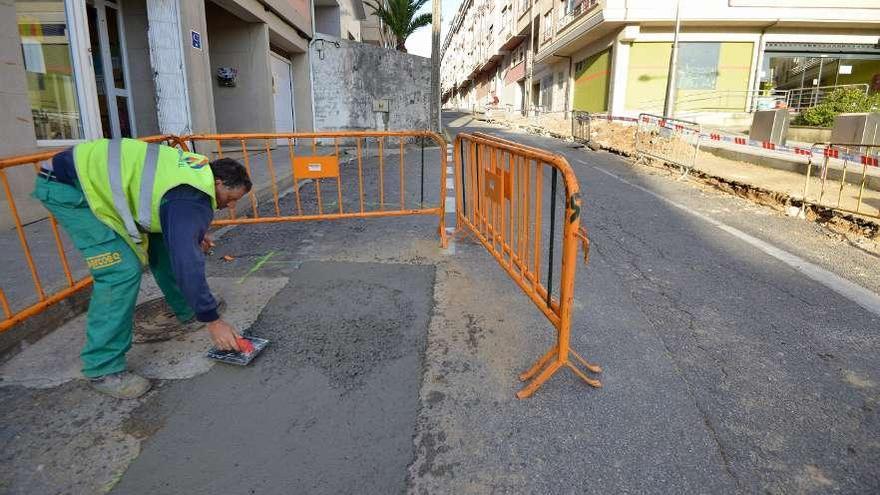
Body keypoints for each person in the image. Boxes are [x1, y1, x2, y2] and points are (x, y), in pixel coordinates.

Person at [32, 138, 252, 399]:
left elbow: (171, 215)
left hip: (87, 176)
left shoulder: (197, 171)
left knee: (164, 245)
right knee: (120, 271)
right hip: (68, 187)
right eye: (230, 198)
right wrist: (212, 320)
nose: (229, 206)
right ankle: (102, 368)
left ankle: (186, 310)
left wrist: (189, 234)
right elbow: (187, 262)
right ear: (217, 183)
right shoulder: (192, 198)